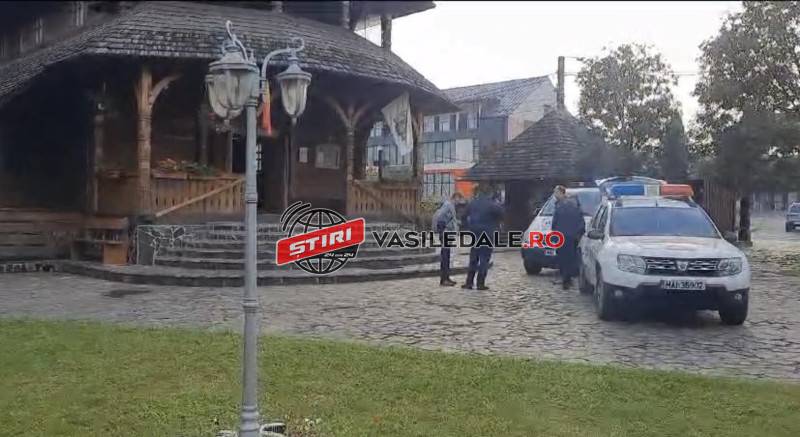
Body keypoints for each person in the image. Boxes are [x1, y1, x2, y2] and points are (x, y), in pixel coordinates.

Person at [462, 185, 504, 290]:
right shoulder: (493, 204)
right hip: (488, 234)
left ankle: (469, 282)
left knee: (473, 258)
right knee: (484, 258)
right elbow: (502, 215)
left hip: (475, 233)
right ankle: (480, 283)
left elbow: (463, 216)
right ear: (490, 194)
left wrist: (469, 227)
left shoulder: (473, 203)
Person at [551, 185, 585, 289]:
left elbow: (555, 222)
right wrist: (579, 234)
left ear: (561, 193)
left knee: (564, 258)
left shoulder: (561, 205)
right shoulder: (574, 205)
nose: (555, 195)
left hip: (563, 235)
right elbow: (581, 221)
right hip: (571, 236)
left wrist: (554, 235)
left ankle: (566, 279)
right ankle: (568, 278)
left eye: (556, 192)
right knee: (569, 258)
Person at [432, 192, 464, 286]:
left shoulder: (450, 205)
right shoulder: (448, 205)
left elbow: (451, 219)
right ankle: (444, 279)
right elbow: (441, 217)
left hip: (447, 232)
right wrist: (445, 228)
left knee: (447, 256)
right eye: (459, 199)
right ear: (455, 197)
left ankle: (446, 278)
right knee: (445, 256)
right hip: (446, 233)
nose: (459, 202)